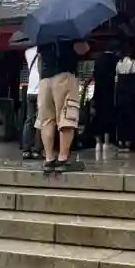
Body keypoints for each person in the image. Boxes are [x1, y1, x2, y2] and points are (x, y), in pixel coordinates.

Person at [37, 37, 89, 171]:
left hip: (44, 80)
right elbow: (82, 49)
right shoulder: (69, 32)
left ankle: (49, 158)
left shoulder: (44, 34)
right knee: (67, 116)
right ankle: (63, 158)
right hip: (64, 76)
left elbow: (39, 59)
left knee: (47, 120)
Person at [90, 45, 118, 150]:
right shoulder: (114, 60)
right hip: (110, 91)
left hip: (98, 91)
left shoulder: (98, 59)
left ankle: (98, 142)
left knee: (98, 115)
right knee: (108, 116)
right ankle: (107, 142)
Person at [114, 43, 135, 151]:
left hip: (121, 93)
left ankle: (121, 140)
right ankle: (131, 141)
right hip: (132, 93)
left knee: (122, 117)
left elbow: (116, 80)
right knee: (132, 117)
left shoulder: (119, 64)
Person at [19, 44, 41, 160]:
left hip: (30, 89)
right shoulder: (45, 51)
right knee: (41, 121)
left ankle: (26, 149)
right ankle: (37, 150)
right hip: (42, 89)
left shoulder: (27, 52)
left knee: (29, 120)